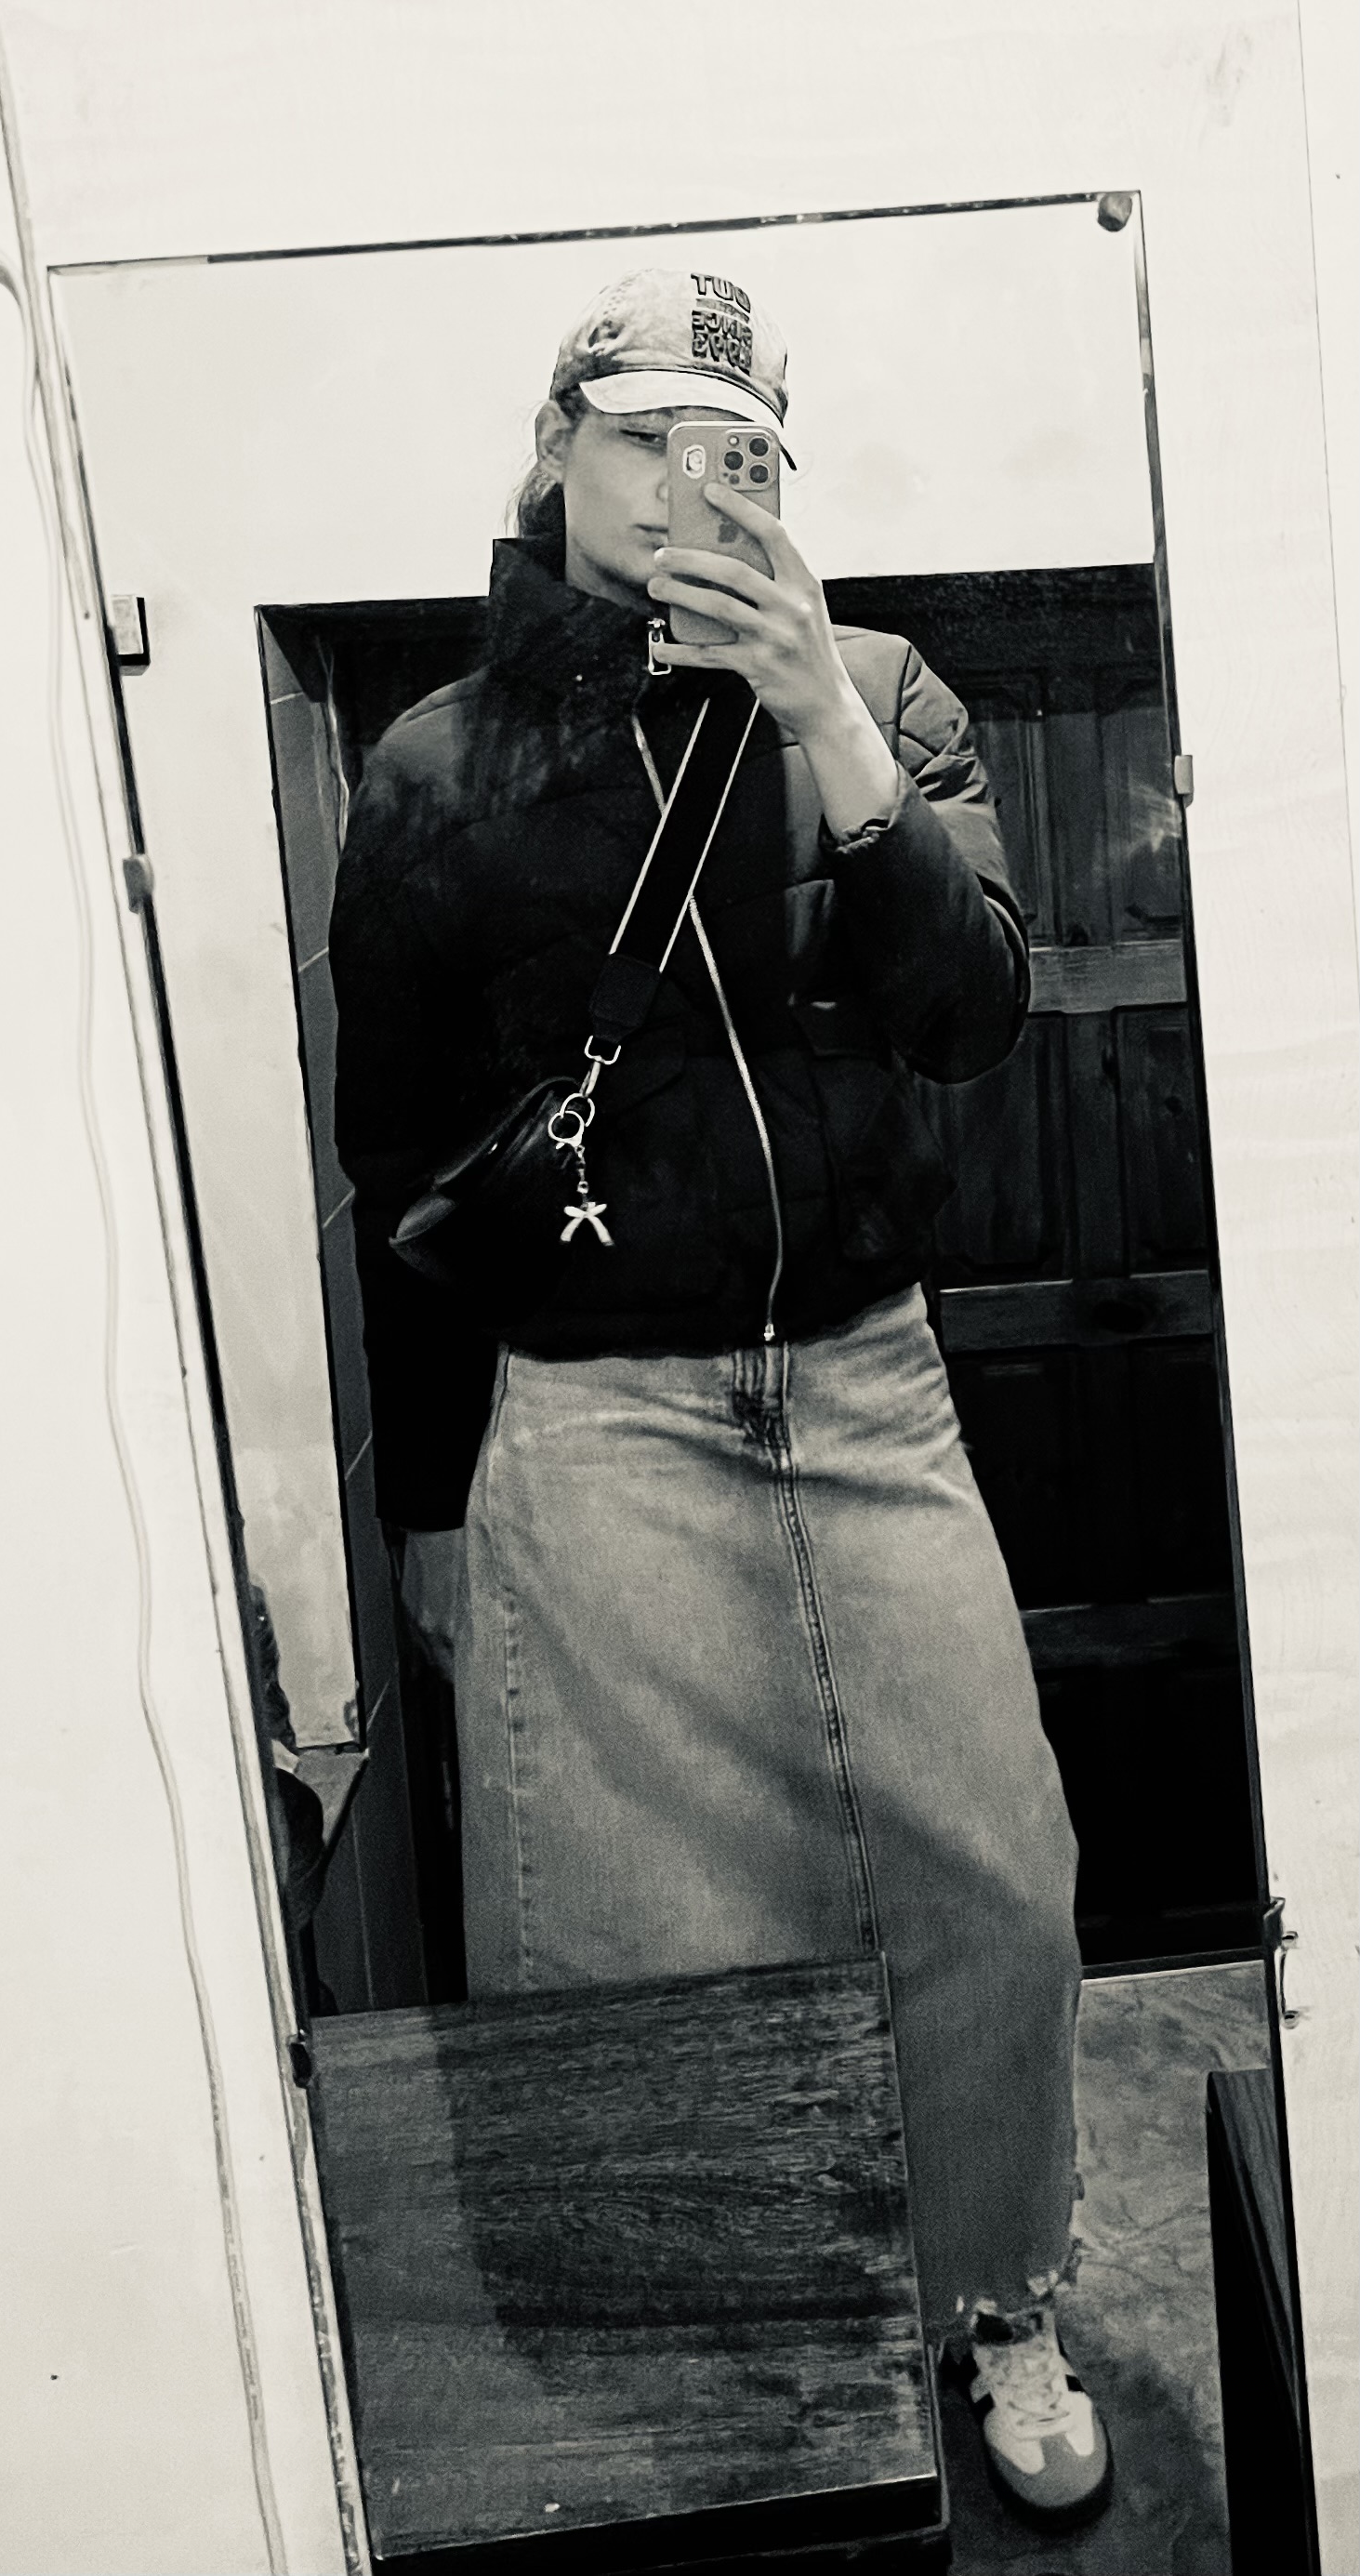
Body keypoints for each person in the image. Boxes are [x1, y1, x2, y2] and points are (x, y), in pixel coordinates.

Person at [329, 268, 1113, 2534]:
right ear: (557, 451)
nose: (695, 481)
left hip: (866, 1386)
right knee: (638, 1936)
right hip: (594, 1419)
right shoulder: (436, 769)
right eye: (647, 434)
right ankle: (732, 2367)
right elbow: (398, 1167)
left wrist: (826, 725)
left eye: (741, 447)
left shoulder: (880, 693)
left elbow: (970, 1015)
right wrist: (430, 1514)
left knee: (994, 1877)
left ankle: (991, 2297)